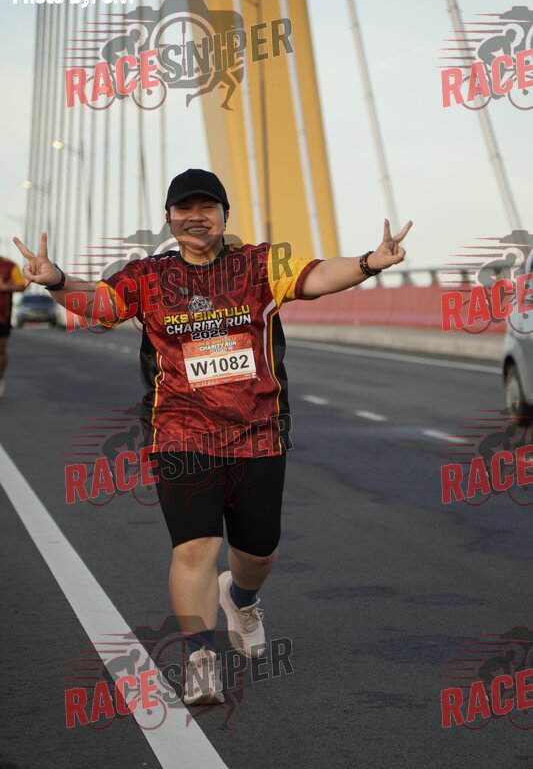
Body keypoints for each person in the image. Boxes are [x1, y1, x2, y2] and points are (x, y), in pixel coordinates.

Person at [13, 168, 411, 705]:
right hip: (180, 431)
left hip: (257, 431)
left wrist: (368, 263)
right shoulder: (147, 276)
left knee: (258, 550)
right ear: (169, 218)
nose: (196, 217)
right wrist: (57, 279)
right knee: (195, 549)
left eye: (207, 207)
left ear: (225, 215)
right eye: (185, 208)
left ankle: (241, 599)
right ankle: (201, 658)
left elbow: (317, 275)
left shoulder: (260, 264)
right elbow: (102, 305)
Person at [0, 256, 26, 397]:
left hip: (2, 317)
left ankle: (0, 378)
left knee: (1, 351)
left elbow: (22, 285)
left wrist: (5, 287)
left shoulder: (9, 266)